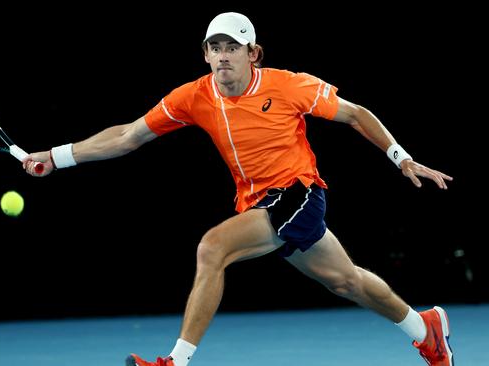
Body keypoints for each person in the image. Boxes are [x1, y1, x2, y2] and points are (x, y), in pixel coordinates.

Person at [23, 11, 454, 366]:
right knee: (346, 282)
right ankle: (426, 329)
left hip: (299, 191)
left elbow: (356, 115)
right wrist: (57, 157)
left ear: (253, 54)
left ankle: (175, 362)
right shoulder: (194, 96)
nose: (223, 56)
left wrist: (401, 157)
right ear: (206, 55)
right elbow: (127, 136)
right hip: (260, 201)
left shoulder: (287, 85)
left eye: (233, 47)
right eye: (216, 47)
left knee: (213, 247)